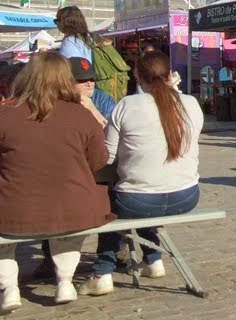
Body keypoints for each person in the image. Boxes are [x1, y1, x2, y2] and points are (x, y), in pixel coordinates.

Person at [81, 52, 204, 296]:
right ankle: (153, 258)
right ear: (171, 75)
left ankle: (102, 272)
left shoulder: (128, 105)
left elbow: (108, 157)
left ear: (137, 77)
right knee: (144, 193)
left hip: (138, 200)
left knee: (113, 199)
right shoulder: (191, 103)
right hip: (187, 196)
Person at [0, 52, 114, 310]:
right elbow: (100, 161)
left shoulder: (4, 114)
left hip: (14, 209)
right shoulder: (81, 116)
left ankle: (9, 288)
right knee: (71, 221)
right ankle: (65, 280)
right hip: (74, 208)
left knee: (4, 233)